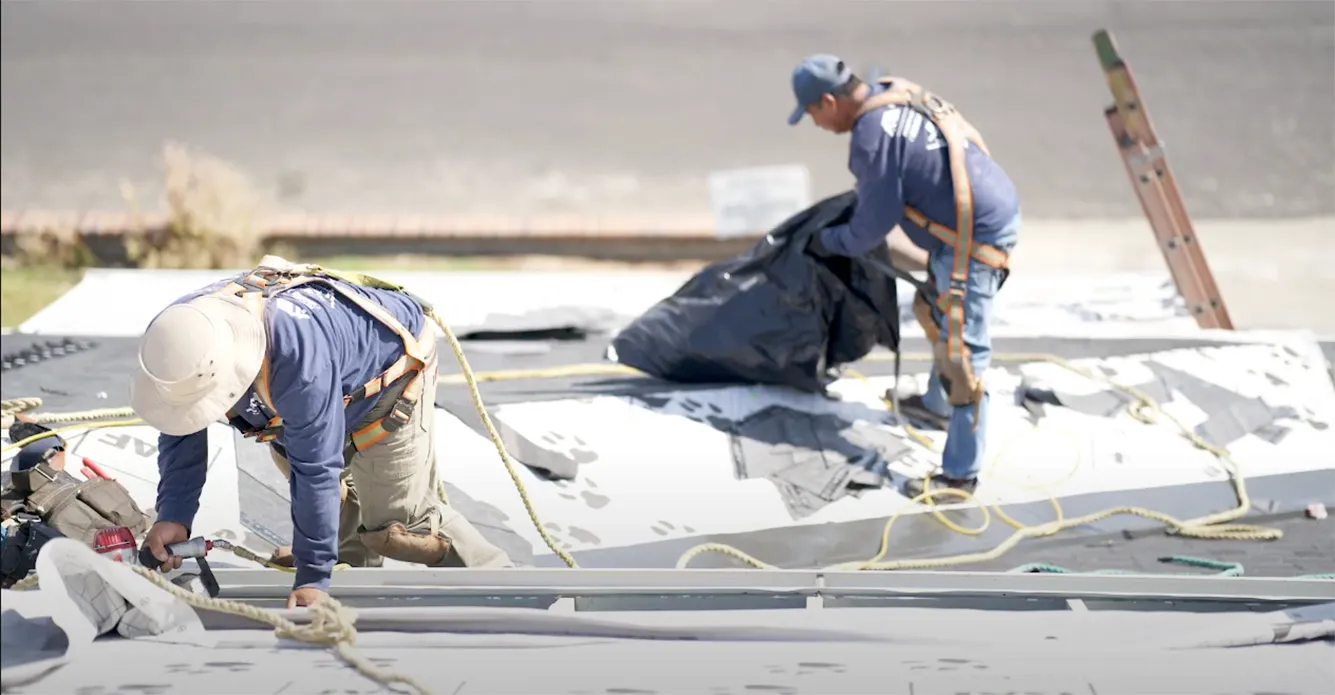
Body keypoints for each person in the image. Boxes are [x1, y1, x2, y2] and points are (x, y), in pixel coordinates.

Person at [129, 256, 513, 609]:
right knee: (312, 468)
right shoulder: (178, 338)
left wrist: (312, 579)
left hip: (391, 374)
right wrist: (173, 516)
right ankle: (347, 561)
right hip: (321, 384)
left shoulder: (296, 359)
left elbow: (317, 468)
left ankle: (507, 583)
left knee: (397, 528)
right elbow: (182, 424)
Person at [790, 54, 1021, 499]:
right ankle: (936, 406)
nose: (816, 124)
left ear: (827, 101)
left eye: (813, 115)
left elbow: (870, 228)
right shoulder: (892, 91)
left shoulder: (871, 139)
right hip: (974, 217)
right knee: (935, 311)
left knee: (963, 358)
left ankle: (959, 478)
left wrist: (829, 241)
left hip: (974, 242)